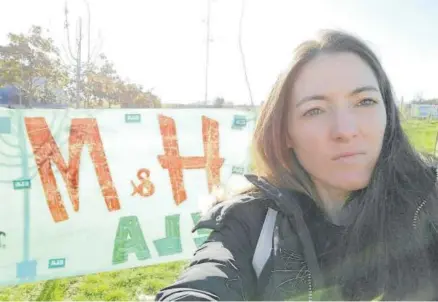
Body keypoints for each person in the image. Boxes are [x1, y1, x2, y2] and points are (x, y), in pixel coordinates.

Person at [155, 29, 438, 301]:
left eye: (365, 101)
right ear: (285, 132)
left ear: (387, 112)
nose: (346, 130)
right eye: (314, 110)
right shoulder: (251, 224)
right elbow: (205, 280)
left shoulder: (430, 199)